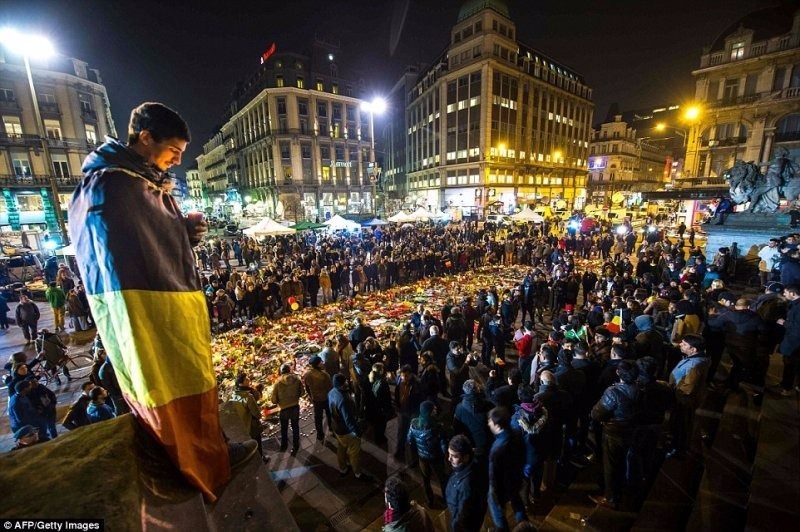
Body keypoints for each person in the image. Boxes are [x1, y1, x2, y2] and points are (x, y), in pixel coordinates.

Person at [70, 102, 254, 501]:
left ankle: (206, 449)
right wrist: (174, 232)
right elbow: (129, 248)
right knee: (169, 379)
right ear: (145, 137)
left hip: (162, 303)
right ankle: (194, 459)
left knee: (188, 375)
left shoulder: (137, 182)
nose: (178, 160)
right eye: (174, 150)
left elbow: (150, 240)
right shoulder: (113, 185)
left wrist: (181, 232)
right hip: (146, 312)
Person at [589, 360, 642, 510]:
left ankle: (611, 497)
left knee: (611, 465)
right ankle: (624, 487)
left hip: (614, 432)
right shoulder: (640, 388)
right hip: (631, 429)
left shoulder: (613, 392)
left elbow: (597, 413)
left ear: (618, 373)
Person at [667, 334, 710, 458]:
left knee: (681, 425)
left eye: (685, 344)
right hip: (684, 399)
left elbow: (687, 388)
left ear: (693, 349)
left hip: (684, 400)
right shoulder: (697, 358)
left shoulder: (695, 365)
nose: (681, 344)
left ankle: (678, 449)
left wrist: (670, 390)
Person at [486, 406, 528, 531]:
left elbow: (493, 476)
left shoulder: (497, 449)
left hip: (501, 487)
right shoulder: (516, 433)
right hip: (516, 479)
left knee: (497, 511)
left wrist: (495, 496)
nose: (488, 423)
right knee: (516, 500)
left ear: (497, 425)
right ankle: (524, 525)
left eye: (490, 421)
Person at [407, 400, 449, 506]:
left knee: (425, 479)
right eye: (433, 409)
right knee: (442, 479)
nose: (435, 410)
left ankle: (430, 501)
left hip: (422, 457)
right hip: (436, 457)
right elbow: (443, 444)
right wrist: (446, 456)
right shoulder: (437, 427)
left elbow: (409, 440)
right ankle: (446, 499)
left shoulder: (414, 424)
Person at [329, 373, 370, 480]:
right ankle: (358, 473)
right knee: (354, 452)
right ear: (341, 385)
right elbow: (348, 420)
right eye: (345, 382)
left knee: (341, 448)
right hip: (346, 431)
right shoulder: (343, 399)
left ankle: (343, 468)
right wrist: (357, 432)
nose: (347, 383)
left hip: (337, 428)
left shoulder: (331, 393)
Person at [445, 434, 488, 532]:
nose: (449, 459)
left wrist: (454, 526)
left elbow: (463, 516)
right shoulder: (468, 467)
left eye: (454, 456)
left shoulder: (466, 485)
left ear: (465, 457)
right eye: (449, 454)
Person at [230, 373, 265, 458]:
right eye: (246, 379)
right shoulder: (248, 396)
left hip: (240, 426)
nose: (248, 380)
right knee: (257, 443)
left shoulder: (232, 395)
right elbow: (256, 414)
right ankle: (261, 459)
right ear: (241, 383)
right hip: (251, 426)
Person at [271, 362, 303, 454]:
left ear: (281, 372)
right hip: (295, 407)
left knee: (284, 428)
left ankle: (284, 445)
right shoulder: (297, 379)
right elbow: (302, 393)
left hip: (284, 409)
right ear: (289, 370)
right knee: (295, 427)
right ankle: (295, 446)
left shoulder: (277, 383)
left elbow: (274, 400)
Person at [775, 284, 800, 396]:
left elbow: (797, 327)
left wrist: (784, 323)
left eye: (786, 292)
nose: (784, 294)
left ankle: (787, 387)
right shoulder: (795, 304)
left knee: (790, 364)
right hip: (792, 340)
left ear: (793, 293)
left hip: (794, 342)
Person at [303, 355, 332, 442]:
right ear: (318, 364)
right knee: (329, 414)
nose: (322, 363)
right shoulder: (324, 375)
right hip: (325, 397)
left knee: (318, 418)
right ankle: (331, 427)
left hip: (316, 399)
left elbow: (307, 387)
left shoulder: (307, 375)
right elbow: (329, 386)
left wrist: (310, 396)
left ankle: (320, 434)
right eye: (321, 362)